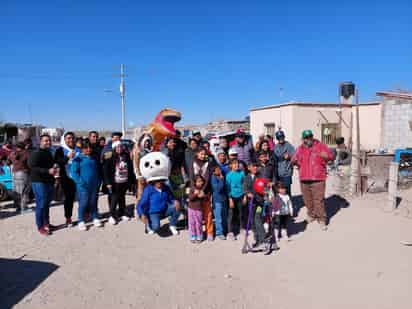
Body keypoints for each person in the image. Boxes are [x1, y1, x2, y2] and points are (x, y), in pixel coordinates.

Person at [292, 129, 334, 230]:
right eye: (306, 137)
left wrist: (327, 156)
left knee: (318, 200)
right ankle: (311, 214)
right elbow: (294, 159)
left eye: (310, 136)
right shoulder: (300, 148)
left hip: (318, 177)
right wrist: (294, 161)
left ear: (312, 136)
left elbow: (331, 156)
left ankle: (321, 219)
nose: (308, 139)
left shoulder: (321, 146)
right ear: (303, 139)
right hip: (304, 177)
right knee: (307, 199)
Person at [28, 134, 58, 236]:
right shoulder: (36, 153)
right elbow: (32, 167)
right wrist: (47, 170)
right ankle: (40, 226)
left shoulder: (49, 152)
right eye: (45, 141)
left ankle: (47, 223)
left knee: (46, 204)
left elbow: (52, 164)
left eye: (49, 140)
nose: (48, 142)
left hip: (48, 181)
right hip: (39, 181)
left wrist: (55, 167)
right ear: (40, 142)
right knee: (41, 205)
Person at [70, 141, 102, 231]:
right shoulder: (78, 159)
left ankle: (95, 217)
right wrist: (80, 182)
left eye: (89, 148)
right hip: (83, 186)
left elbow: (97, 171)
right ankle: (81, 220)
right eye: (86, 148)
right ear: (82, 149)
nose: (88, 149)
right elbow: (73, 173)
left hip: (94, 185)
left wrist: (99, 181)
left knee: (93, 202)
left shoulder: (93, 158)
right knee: (83, 203)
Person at [104, 141, 135, 225]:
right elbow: (106, 171)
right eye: (117, 147)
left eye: (121, 147)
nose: (119, 148)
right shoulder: (110, 157)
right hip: (114, 182)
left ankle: (122, 213)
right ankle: (112, 215)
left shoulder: (126, 156)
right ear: (114, 148)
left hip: (124, 181)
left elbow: (130, 169)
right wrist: (108, 183)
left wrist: (131, 181)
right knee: (114, 199)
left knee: (122, 198)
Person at [54, 132, 80, 227]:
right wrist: (67, 157)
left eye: (72, 138)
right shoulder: (60, 150)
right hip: (67, 179)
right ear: (64, 140)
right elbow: (57, 163)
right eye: (68, 138)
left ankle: (84, 215)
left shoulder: (79, 149)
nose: (71, 140)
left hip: (79, 178)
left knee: (82, 197)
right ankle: (68, 218)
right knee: (69, 200)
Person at [189, 147, 214, 241]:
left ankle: (209, 232)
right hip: (195, 192)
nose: (203, 156)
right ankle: (195, 233)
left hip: (205, 192)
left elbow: (207, 179)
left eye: (204, 154)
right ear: (197, 154)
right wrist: (195, 189)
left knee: (208, 214)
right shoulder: (193, 162)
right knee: (195, 216)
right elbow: (191, 177)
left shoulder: (208, 163)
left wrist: (203, 190)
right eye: (201, 154)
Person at [225, 159, 245, 240]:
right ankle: (230, 232)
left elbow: (244, 184)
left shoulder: (242, 173)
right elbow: (227, 188)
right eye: (234, 164)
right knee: (231, 214)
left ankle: (241, 228)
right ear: (230, 166)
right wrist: (230, 199)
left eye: (237, 164)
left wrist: (245, 196)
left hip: (241, 195)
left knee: (241, 213)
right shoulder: (228, 175)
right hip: (232, 197)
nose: (236, 165)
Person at [9, 142, 31, 214]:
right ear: (23, 146)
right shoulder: (26, 153)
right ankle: (23, 208)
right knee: (24, 191)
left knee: (17, 192)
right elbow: (30, 163)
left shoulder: (12, 153)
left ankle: (18, 207)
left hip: (14, 173)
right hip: (23, 173)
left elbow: (8, 162)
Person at [273, 131, 295, 196]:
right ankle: (281, 205)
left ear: (284, 137)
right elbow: (274, 157)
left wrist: (289, 156)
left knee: (287, 190)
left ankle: (289, 204)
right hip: (278, 172)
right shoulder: (275, 147)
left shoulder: (289, 145)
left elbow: (294, 156)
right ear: (277, 138)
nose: (281, 139)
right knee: (279, 190)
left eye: (282, 137)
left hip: (287, 172)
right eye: (279, 137)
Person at [188, 175, 208, 242]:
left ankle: (200, 235)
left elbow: (205, 199)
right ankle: (193, 235)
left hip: (199, 209)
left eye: (201, 181)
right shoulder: (192, 189)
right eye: (198, 181)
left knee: (198, 223)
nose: (200, 183)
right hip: (191, 209)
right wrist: (195, 194)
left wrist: (203, 196)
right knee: (192, 223)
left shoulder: (202, 190)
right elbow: (190, 198)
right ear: (195, 182)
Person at [211, 165, 227, 240]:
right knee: (218, 217)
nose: (219, 171)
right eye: (217, 170)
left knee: (224, 216)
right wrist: (221, 180)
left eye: (219, 169)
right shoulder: (213, 178)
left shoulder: (222, 176)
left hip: (223, 199)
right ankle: (219, 232)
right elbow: (218, 189)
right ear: (214, 171)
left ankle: (224, 230)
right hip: (217, 200)